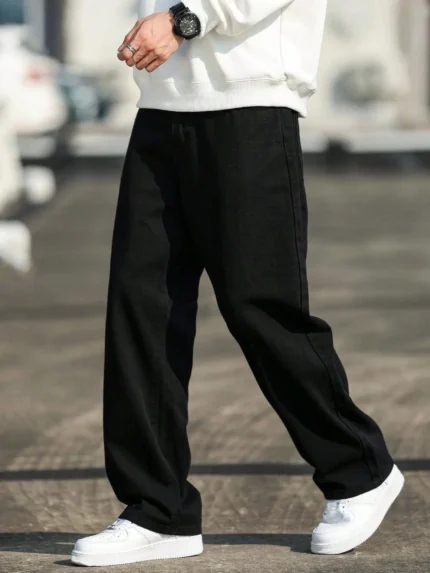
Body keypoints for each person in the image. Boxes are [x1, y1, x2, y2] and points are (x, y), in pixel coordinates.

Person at [71, 1, 404, 566]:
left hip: (250, 107)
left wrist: (185, 19)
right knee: (141, 309)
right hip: (161, 105)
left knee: (262, 307)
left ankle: (360, 472)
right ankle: (158, 510)